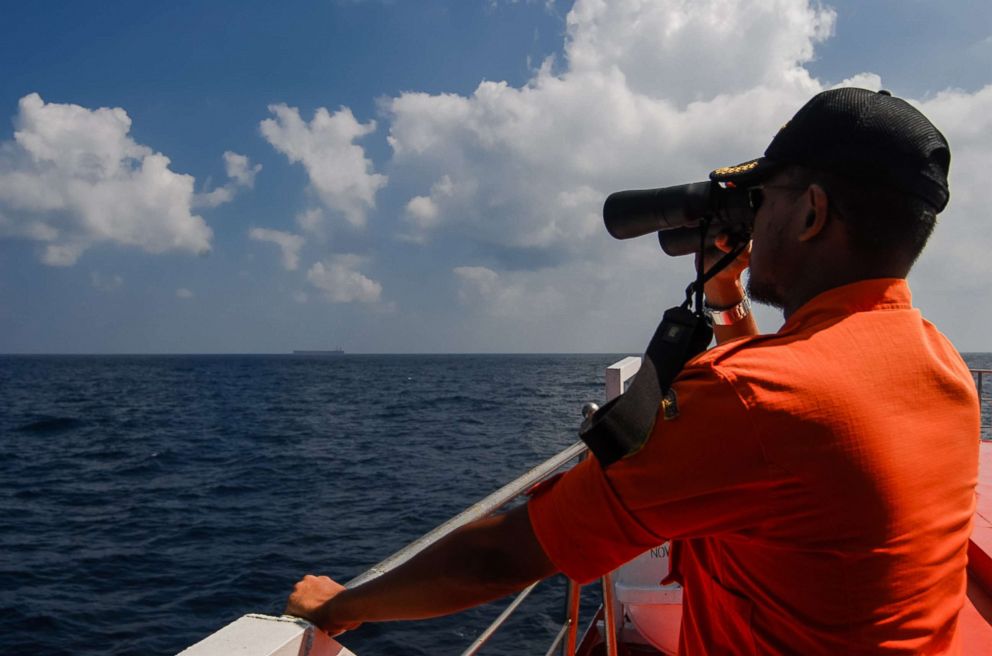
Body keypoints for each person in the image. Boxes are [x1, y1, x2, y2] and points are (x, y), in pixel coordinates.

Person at [285, 88, 981, 654]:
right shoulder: (940, 364)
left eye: (764, 199)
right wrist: (725, 298)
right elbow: (797, 400)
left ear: (811, 213)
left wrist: (343, 604)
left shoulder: (755, 401)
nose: (752, 219)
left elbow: (510, 553)